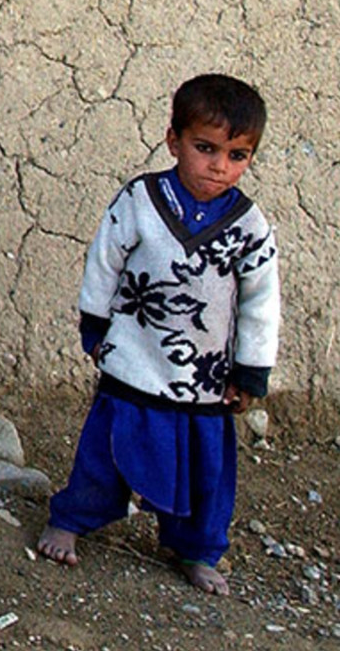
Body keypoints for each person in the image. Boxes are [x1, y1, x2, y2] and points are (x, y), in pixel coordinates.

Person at [37, 75, 279, 595]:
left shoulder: (249, 226)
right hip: (134, 359)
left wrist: (250, 372)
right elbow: (104, 261)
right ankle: (71, 519)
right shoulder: (141, 200)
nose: (219, 166)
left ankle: (197, 549)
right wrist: (95, 324)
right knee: (106, 451)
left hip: (204, 380)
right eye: (205, 148)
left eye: (237, 155)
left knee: (204, 472)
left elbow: (261, 303)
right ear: (174, 140)